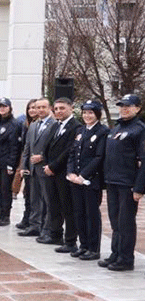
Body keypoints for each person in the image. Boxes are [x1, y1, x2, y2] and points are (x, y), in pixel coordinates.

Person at [99, 94, 145, 272]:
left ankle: (126, 258)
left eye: (128, 106)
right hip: (113, 181)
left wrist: (139, 187)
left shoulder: (139, 130)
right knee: (115, 221)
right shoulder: (117, 128)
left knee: (126, 222)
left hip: (128, 183)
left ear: (137, 108)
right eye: (121, 106)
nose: (124, 109)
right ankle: (115, 253)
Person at [66, 100, 108, 261]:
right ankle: (83, 245)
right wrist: (70, 173)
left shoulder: (102, 131)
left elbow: (99, 157)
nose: (87, 116)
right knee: (79, 214)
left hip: (90, 180)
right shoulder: (81, 130)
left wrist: (83, 176)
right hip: (75, 180)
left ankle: (93, 248)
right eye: (84, 112)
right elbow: (72, 153)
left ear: (97, 114)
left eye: (91, 113)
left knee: (91, 215)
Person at [40, 97, 81, 249]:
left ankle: (70, 241)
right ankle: (55, 234)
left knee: (67, 207)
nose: (58, 111)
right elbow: (47, 147)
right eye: (56, 109)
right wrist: (46, 165)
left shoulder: (76, 127)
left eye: (62, 108)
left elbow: (70, 149)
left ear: (71, 108)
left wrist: (54, 166)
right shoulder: (55, 126)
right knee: (54, 205)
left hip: (63, 172)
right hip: (50, 172)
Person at [18, 98, 54, 237]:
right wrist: (23, 165)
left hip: (46, 168)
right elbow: (27, 147)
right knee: (34, 199)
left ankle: (46, 227)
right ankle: (34, 225)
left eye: (43, 107)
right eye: (38, 107)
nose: (40, 110)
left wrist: (43, 157)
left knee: (47, 201)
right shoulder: (33, 125)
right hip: (32, 169)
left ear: (49, 108)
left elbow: (56, 149)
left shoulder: (54, 124)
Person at [0, 98, 23, 226]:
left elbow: (15, 146)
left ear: (10, 108)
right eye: (0, 106)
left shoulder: (14, 124)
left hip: (6, 163)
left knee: (5, 189)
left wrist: (11, 164)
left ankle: (5, 215)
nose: (2, 108)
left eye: (5, 106)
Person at [15, 99, 39, 230]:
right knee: (27, 192)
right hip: (27, 162)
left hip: (37, 163)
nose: (32, 110)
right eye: (30, 108)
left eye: (34, 108)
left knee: (34, 194)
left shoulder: (41, 124)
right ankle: (27, 217)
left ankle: (34, 220)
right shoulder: (26, 124)